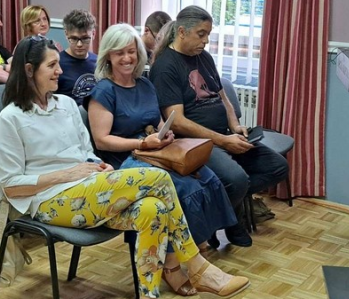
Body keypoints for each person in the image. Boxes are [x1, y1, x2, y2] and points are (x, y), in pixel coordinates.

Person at [0, 35, 249, 299]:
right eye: (52, 65)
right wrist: (65, 174)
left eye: (58, 64)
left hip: (85, 187)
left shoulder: (65, 105)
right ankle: (196, 266)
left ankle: (149, 295)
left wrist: (98, 165)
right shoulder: (10, 119)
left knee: (154, 210)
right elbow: (11, 187)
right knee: (158, 178)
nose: (60, 71)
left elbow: (85, 152)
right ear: (29, 70)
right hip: (48, 201)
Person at [86, 24, 239, 295]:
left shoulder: (145, 84)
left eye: (131, 51)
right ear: (108, 56)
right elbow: (102, 140)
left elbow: (157, 122)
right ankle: (172, 266)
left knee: (205, 176)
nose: (127, 58)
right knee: (184, 188)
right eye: (119, 53)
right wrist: (142, 143)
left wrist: (163, 134)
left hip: (154, 150)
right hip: (124, 160)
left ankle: (194, 246)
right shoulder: (104, 92)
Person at [150, 5, 289, 248]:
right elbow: (178, 120)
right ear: (181, 32)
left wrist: (235, 126)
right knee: (237, 179)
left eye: (208, 34)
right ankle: (229, 219)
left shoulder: (204, 58)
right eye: (201, 34)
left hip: (223, 136)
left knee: (277, 167)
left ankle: (226, 212)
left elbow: (222, 95)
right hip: (193, 144)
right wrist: (223, 141)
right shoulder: (165, 66)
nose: (206, 41)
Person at [56, 9, 97, 105]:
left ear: (93, 34)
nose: (79, 44)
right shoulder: (57, 63)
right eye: (74, 39)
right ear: (66, 34)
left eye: (85, 38)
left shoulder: (98, 62)